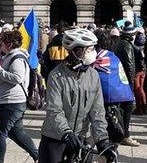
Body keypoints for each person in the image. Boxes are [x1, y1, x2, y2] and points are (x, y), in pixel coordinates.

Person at [39, 28, 116, 163]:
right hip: (56, 137)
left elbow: (97, 111)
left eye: (93, 49)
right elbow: (54, 110)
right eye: (87, 50)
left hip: (82, 138)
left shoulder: (93, 75)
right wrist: (66, 133)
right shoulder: (56, 76)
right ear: (75, 51)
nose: (92, 53)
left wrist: (102, 139)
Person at [0, 29, 39, 163]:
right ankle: (38, 155)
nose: (0, 45)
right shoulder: (10, 56)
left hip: (10, 102)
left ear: (9, 44)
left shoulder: (17, 58)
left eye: (2, 42)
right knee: (15, 132)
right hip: (9, 101)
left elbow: (17, 78)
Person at [93, 30, 136, 147]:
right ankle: (124, 134)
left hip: (103, 95)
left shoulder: (94, 56)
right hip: (121, 93)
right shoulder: (113, 57)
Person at [110, 24, 140, 147]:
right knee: (127, 108)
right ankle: (125, 135)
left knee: (119, 109)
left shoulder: (116, 43)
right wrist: (131, 82)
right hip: (125, 80)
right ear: (131, 35)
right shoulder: (127, 45)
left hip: (117, 79)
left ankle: (119, 132)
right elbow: (129, 65)